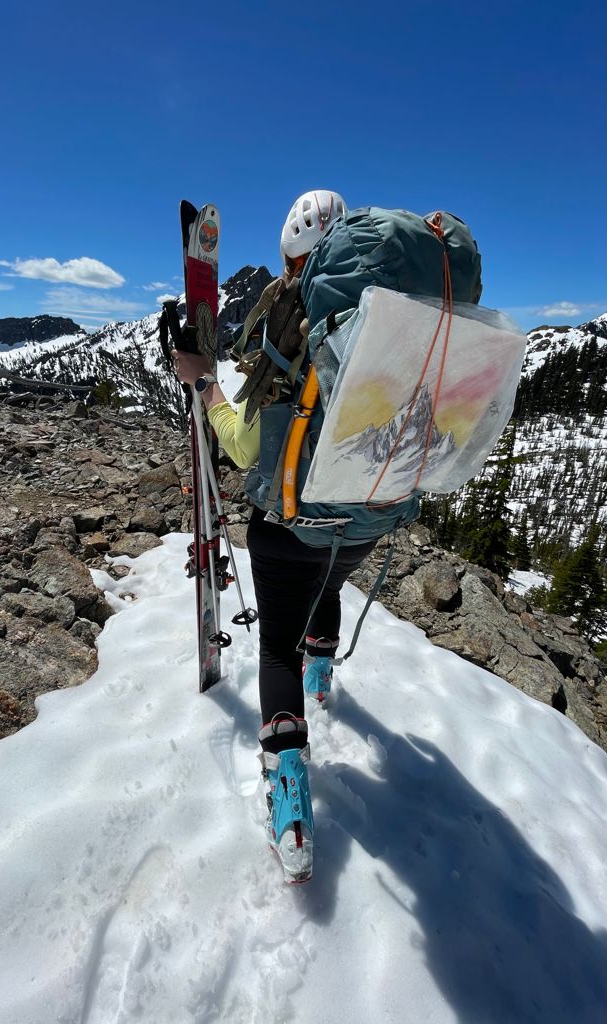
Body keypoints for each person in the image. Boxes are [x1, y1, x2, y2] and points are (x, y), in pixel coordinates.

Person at [173, 190, 375, 882]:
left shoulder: (297, 319)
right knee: (331, 574)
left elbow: (241, 447)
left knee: (275, 648)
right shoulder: (387, 331)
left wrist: (205, 388)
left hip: (287, 528)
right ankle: (323, 676)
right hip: (365, 525)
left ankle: (290, 810)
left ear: (294, 257)